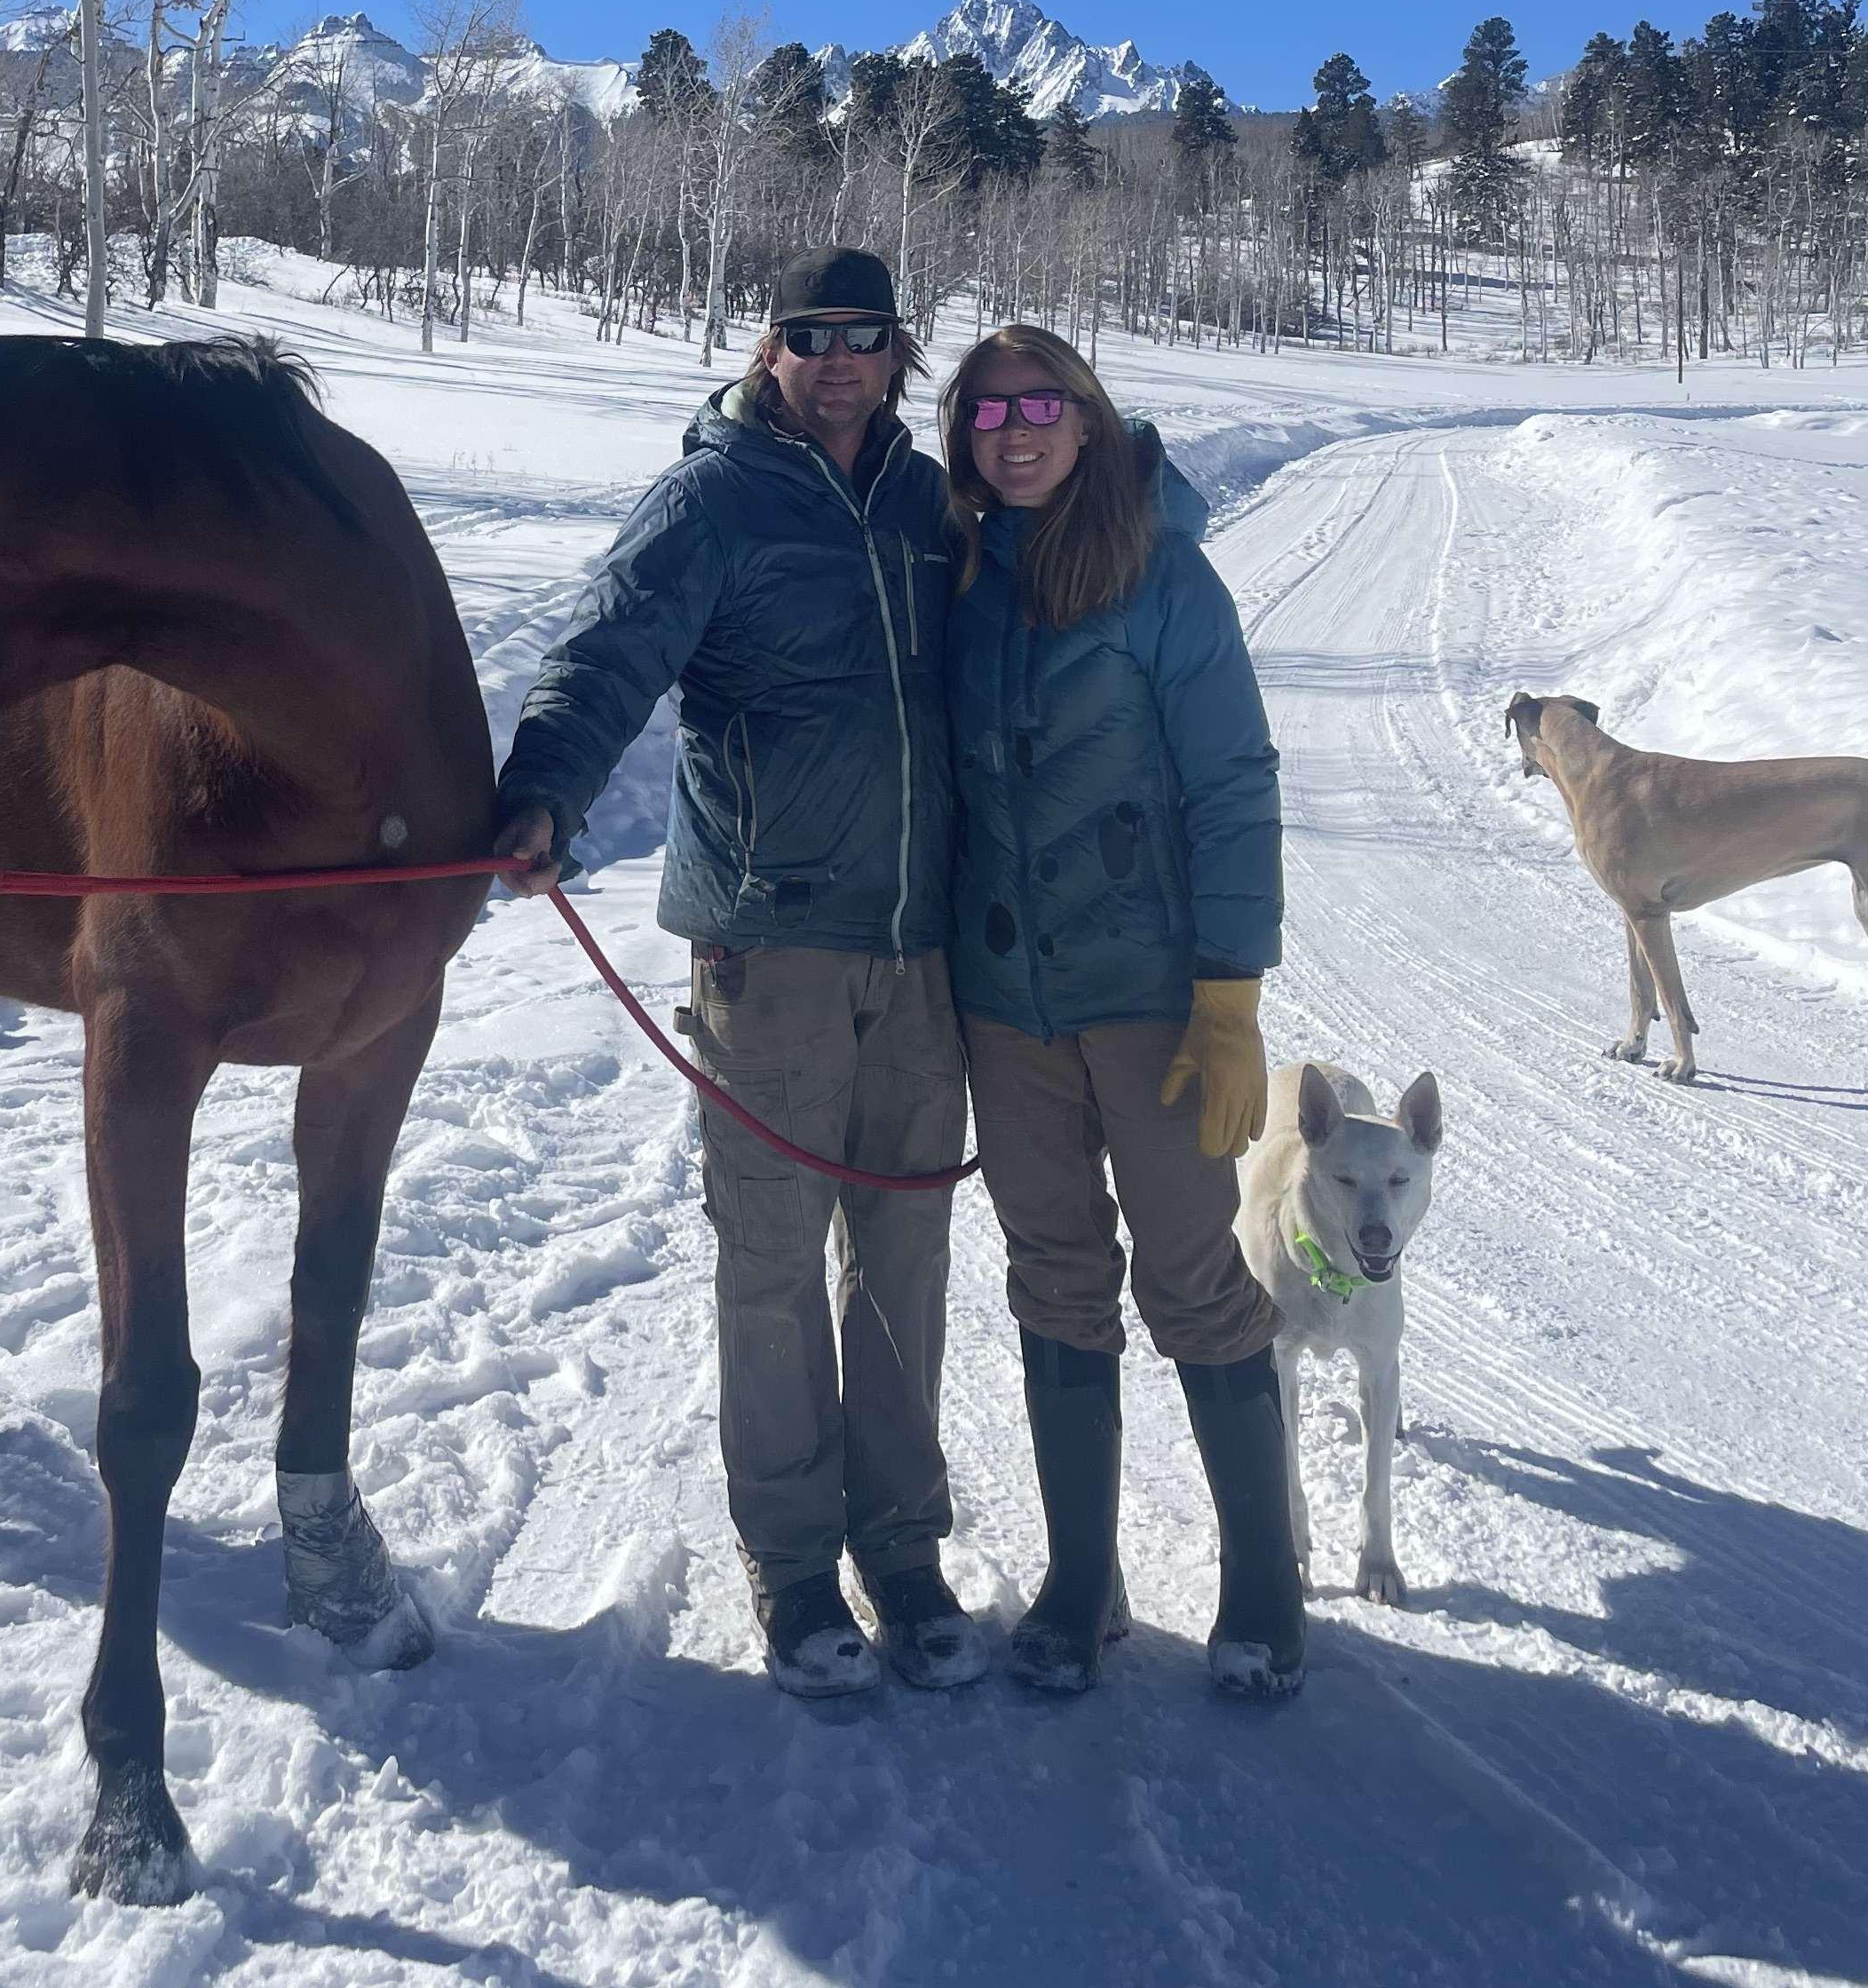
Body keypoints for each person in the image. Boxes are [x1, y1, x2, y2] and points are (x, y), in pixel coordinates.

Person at [491, 249, 977, 1698]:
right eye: (809, 335)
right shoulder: (712, 496)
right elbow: (609, 645)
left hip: (921, 945)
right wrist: (547, 789)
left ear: (900, 353)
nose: (838, 360)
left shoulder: (922, 502)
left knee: (905, 1260)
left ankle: (902, 1548)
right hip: (769, 941)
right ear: (770, 348)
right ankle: (789, 1566)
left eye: (865, 337)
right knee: (770, 1262)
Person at [939, 320, 1300, 1701]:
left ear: (1088, 421)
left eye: (1041, 405)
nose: (1015, 430)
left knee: (1197, 1282)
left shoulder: (1166, 578)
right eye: (986, 412)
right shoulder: (958, 573)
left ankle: (1263, 1581)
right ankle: (1082, 1577)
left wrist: (1231, 995)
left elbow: (1234, 783)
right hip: (1004, 1006)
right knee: (1055, 1274)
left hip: (1152, 1001)